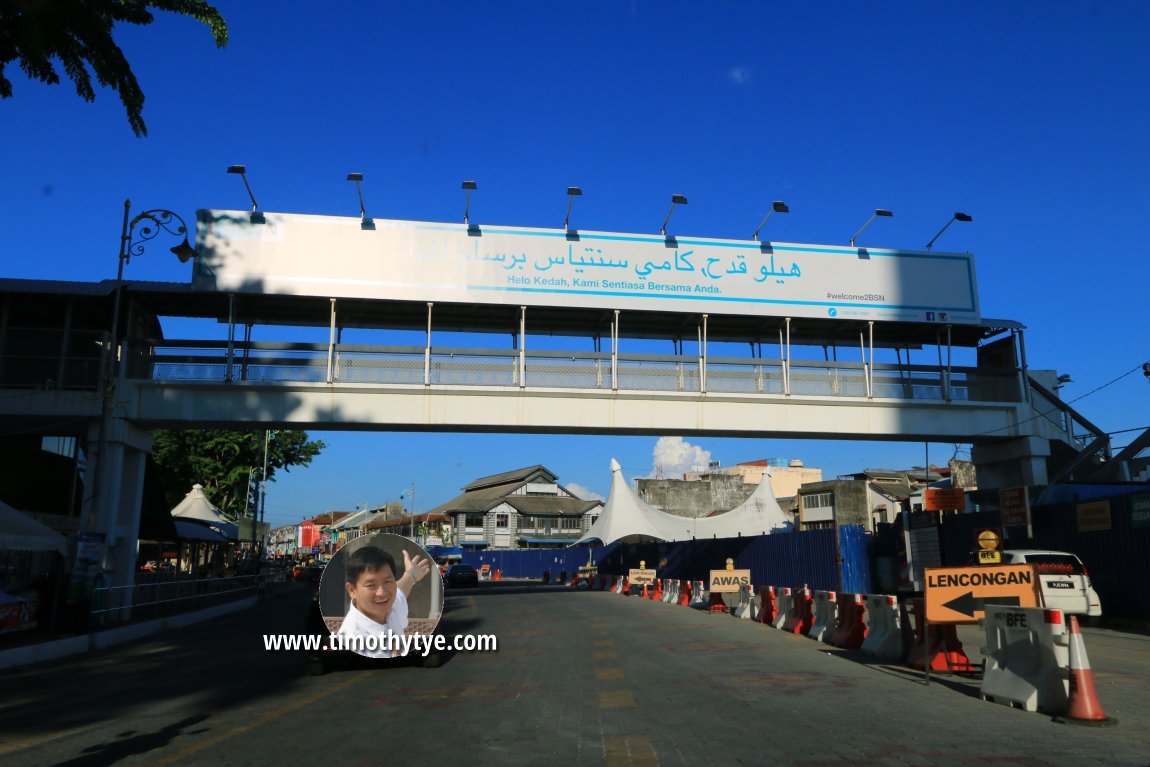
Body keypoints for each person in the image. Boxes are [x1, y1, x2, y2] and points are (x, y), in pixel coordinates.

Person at [337, 545, 430, 658]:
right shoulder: (354, 641)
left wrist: (411, 575)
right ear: (352, 590)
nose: (382, 593)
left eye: (387, 581)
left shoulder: (390, 607)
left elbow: (401, 590)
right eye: (371, 585)